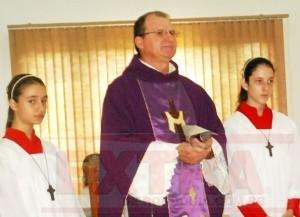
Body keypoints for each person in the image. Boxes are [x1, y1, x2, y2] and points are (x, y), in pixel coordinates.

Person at [99, 11, 228, 217]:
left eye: (172, 32)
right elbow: (117, 148)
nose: (169, 38)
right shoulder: (122, 91)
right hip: (151, 207)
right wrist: (175, 152)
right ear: (139, 41)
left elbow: (217, 134)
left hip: (199, 202)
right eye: (159, 32)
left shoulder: (193, 91)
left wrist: (208, 149)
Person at [222, 57, 300, 217]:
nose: (266, 87)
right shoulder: (232, 127)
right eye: (259, 81)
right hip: (248, 213)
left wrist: (291, 208)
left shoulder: (286, 125)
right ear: (245, 83)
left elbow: (296, 169)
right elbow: (237, 181)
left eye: (270, 81)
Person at [0, 73, 86, 217]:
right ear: (13, 104)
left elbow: (70, 203)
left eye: (44, 101)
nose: (41, 108)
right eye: (32, 101)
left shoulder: (53, 151)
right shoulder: (4, 156)